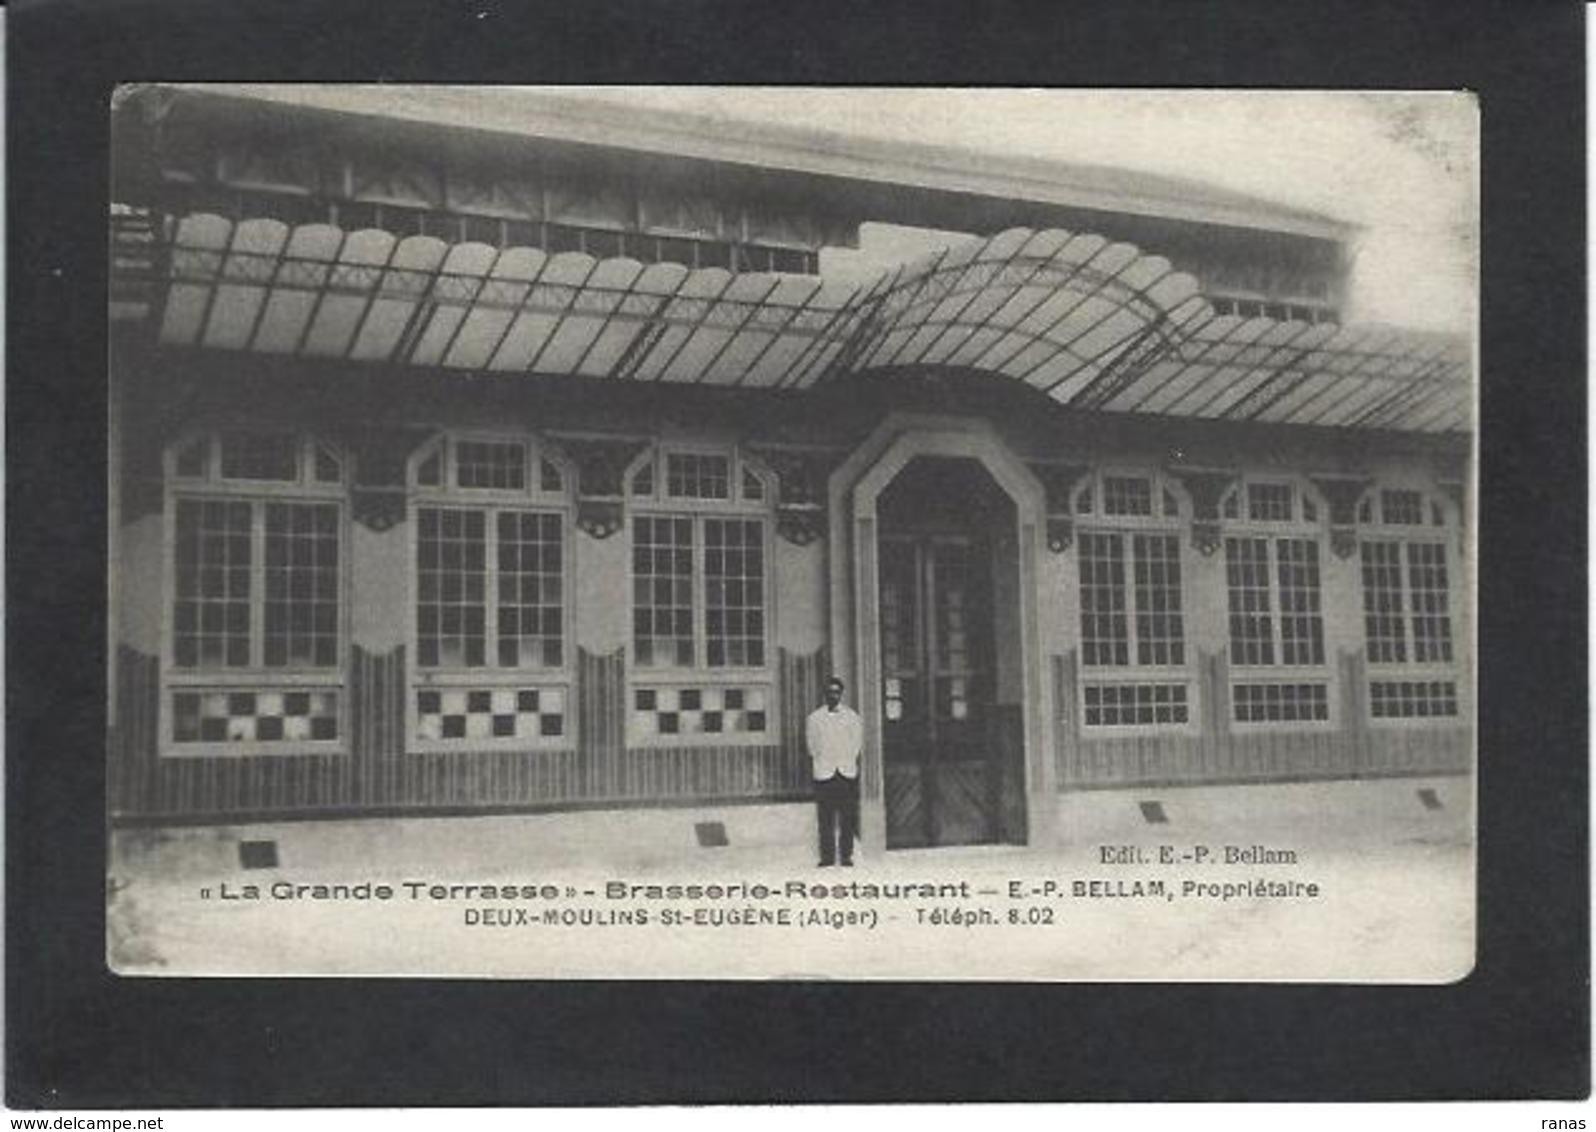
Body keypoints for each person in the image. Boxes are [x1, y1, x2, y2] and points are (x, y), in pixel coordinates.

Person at [805, 677, 863, 867]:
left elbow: (857, 744)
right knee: (825, 819)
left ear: (841, 694)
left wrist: (845, 760)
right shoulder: (814, 719)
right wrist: (823, 760)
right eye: (830, 692)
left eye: (836, 692)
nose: (833, 695)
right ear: (825, 694)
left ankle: (846, 856)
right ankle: (827, 857)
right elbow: (811, 746)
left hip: (846, 773)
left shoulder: (852, 717)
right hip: (824, 773)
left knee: (847, 817)